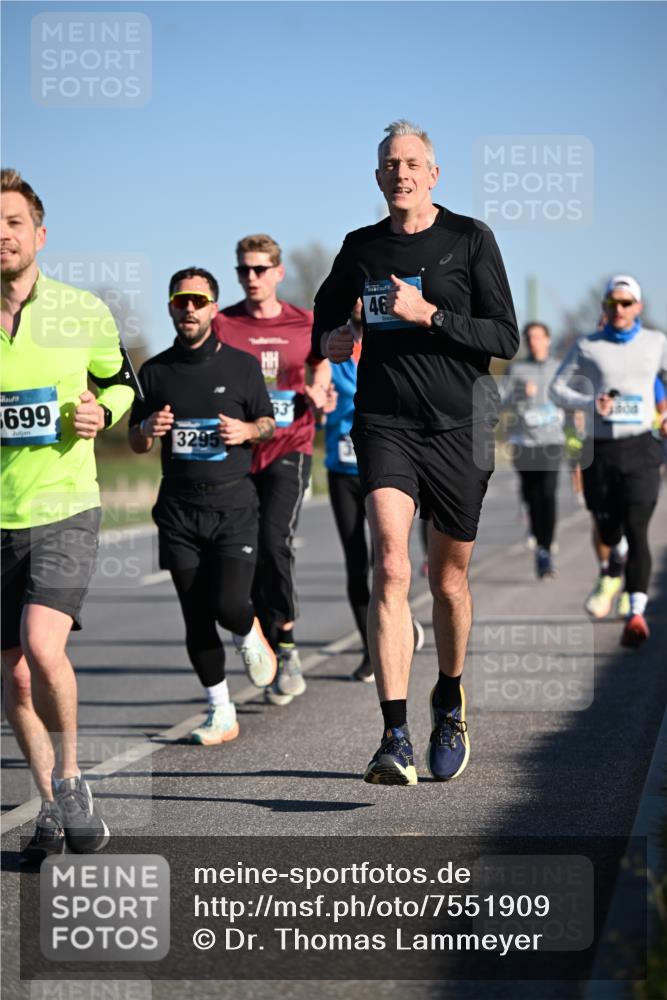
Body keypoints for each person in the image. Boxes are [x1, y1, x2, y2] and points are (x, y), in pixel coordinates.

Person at [312, 120, 519, 785]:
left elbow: (505, 337)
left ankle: (449, 698)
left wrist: (428, 313)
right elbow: (323, 317)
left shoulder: (469, 239)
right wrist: (334, 339)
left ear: (433, 174)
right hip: (383, 423)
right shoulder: (359, 248)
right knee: (393, 565)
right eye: (388, 164)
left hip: (458, 425)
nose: (399, 172)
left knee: (447, 579)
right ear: (377, 178)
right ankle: (393, 736)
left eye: (411, 163)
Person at [1, 169, 135, 863]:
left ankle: (73, 777)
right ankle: (48, 802)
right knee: (15, 675)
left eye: (14, 222)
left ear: (38, 233)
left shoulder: (81, 310)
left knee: (42, 645)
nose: (2, 234)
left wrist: (100, 412)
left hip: (64, 504)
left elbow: (119, 386)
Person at [128, 267, 277, 744]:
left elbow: (269, 423)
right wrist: (147, 430)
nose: (188, 309)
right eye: (180, 301)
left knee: (230, 604)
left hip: (233, 506)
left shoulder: (241, 366)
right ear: (171, 307)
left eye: (197, 301)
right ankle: (221, 712)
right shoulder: (154, 371)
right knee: (195, 613)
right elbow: (134, 440)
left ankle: (250, 631)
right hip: (178, 511)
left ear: (213, 307)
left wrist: (247, 431)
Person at [213, 234, 333, 706]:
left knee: (272, 539)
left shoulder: (305, 323)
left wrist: (321, 389)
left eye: (260, 269)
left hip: (291, 444)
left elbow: (322, 364)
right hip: (241, 453)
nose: (251, 277)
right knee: (245, 552)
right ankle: (260, 633)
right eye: (244, 269)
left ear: (278, 272)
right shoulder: (223, 324)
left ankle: (285, 643)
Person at [550, 275, 667, 646]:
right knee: (608, 528)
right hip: (600, 451)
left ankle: (635, 613)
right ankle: (614, 560)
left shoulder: (656, 342)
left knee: (637, 528)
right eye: (612, 304)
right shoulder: (588, 345)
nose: (619, 309)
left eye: (626, 303)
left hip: (642, 449)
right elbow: (557, 388)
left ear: (638, 307)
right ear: (604, 308)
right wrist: (589, 403)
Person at [324, 300, 425, 683]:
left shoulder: (393, 341)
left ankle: (398, 619)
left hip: (385, 468)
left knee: (384, 560)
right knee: (355, 564)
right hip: (342, 468)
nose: (358, 303)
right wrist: (319, 404)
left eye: (365, 294)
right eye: (352, 294)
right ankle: (371, 650)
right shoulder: (332, 344)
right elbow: (313, 391)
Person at [498, 322, 565, 578]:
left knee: (547, 494)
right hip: (524, 442)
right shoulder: (516, 369)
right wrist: (517, 393)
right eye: (530, 337)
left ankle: (545, 550)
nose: (534, 341)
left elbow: (570, 396)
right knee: (531, 494)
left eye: (538, 337)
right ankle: (538, 535)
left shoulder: (559, 368)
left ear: (548, 339)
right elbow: (500, 402)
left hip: (551, 441)